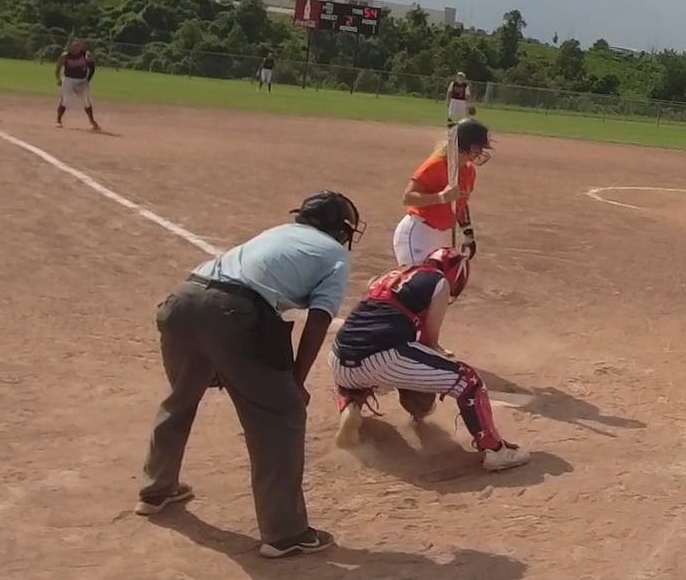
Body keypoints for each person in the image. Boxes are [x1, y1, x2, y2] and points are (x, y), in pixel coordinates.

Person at [136, 191, 364, 559]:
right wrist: (295, 381)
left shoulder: (277, 232)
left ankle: (155, 489)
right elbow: (319, 318)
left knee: (181, 397)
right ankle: (286, 533)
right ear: (342, 230)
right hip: (234, 312)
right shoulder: (334, 254)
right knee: (282, 414)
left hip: (182, 301)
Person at [330, 248, 531, 472]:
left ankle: (350, 404)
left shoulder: (390, 276)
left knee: (367, 371)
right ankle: (496, 451)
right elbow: (429, 341)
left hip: (339, 359)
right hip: (383, 356)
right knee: (468, 381)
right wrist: (426, 381)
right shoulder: (439, 281)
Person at [395, 118, 490, 266]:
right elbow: (408, 198)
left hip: (441, 237)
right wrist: (441, 197)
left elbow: (461, 203)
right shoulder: (436, 165)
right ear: (464, 145)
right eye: (477, 148)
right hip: (418, 233)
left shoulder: (469, 171)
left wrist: (467, 232)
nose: (480, 153)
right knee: (419, 278)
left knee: (441, 280)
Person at [54, 39, 101, 131]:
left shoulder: (86, 55)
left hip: (81, 80)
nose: (76, 47)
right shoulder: (65, 55)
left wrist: (87, 80)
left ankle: (92, 121)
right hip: (68, 80)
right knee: (65, 100)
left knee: (85, 102)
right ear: (71, 46)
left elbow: (92, 68)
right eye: (74, 45)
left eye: (78, 45)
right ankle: (58, 120)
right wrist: (58, 79)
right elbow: (58, 67)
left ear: (81, 47)